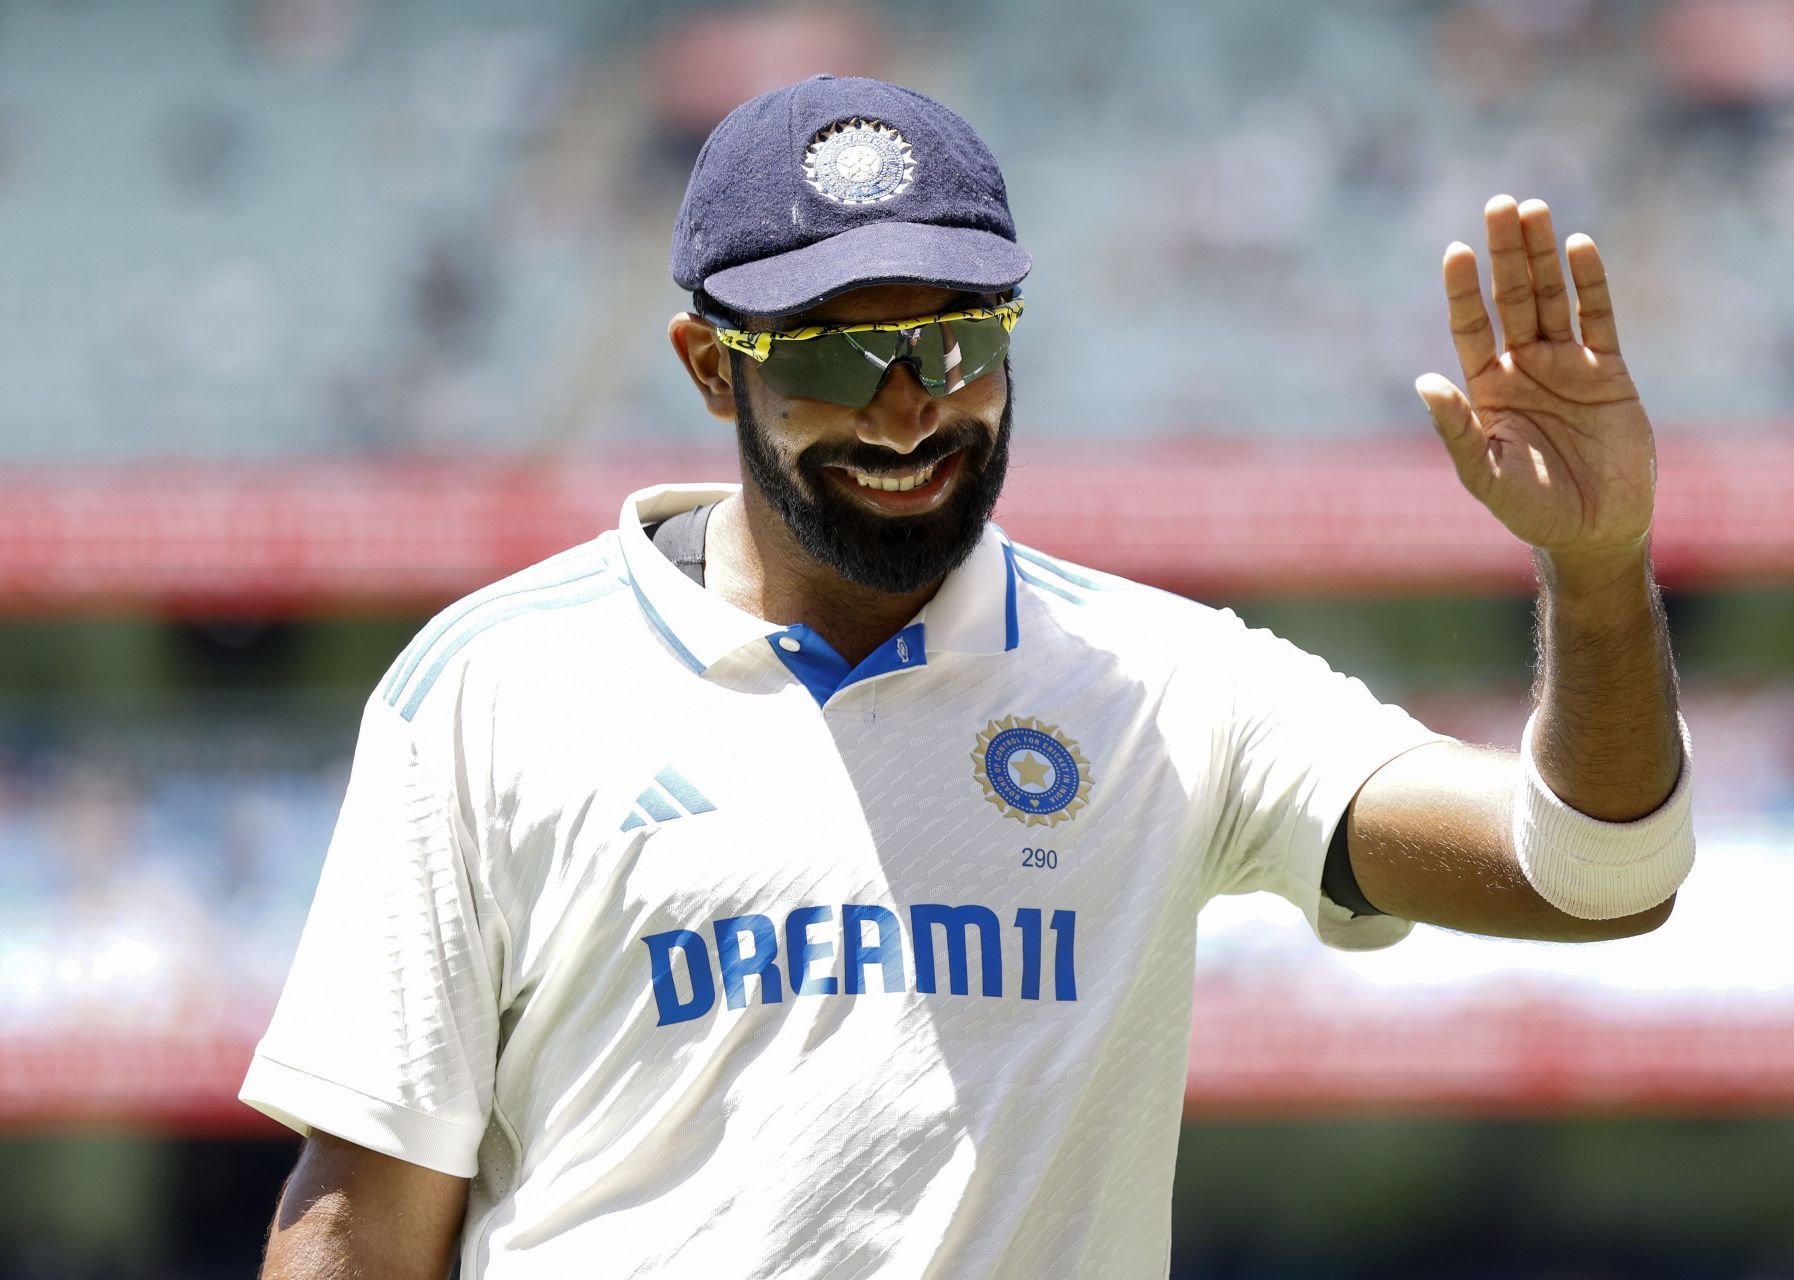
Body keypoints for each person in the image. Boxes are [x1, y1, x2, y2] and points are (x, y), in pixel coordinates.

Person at [242, 75, 1693, 1279]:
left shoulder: (1162, 684)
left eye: (955, 339)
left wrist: (1600, 563)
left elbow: (1600, 874)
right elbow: (357, 1219)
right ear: (706, 365)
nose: (909, 404)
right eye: (834, 356)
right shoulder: (493, 686)